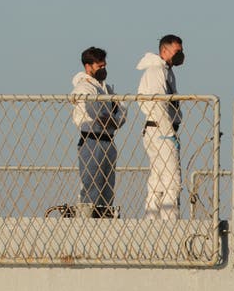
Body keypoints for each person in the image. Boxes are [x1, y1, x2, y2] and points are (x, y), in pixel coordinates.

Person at [71, 47, 126, 218]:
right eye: (99, 66)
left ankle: (104, 223)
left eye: (104, 66)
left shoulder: (106, 89)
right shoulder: (83, 87)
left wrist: (112, 120)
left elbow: (123, 111)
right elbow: (95, 113)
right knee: (91, 187)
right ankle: (87, 224)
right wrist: (110, 118)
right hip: (91, 140)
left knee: (107, 189)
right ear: (88, 67)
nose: (103, 69)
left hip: (109, 141)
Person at [136, 34, 185, 220]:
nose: (180, 55)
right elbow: (159, 103)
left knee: (157, 180)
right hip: (161, 129)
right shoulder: (156, 71)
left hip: (157, 130)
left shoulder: (166, 71)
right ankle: (169, 223)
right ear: (164, 51)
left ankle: (152, 221)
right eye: (177, 51)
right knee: (172, 180)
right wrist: (168, 132)